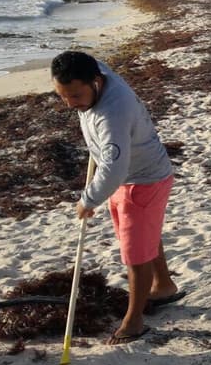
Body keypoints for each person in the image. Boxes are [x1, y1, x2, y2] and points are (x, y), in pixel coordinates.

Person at [51, 50, 182, 345]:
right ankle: (163, 285)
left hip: (143, 180)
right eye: (63, 96)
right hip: (134, 176)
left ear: (96, 82)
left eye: (75, 96)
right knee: (141, 236)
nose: (71, 104)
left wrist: (89, 199)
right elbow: (88, 58)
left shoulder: (113, 114)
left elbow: (114, 168)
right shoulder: (95, 72)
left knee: (134, 253)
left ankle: (134, 321)